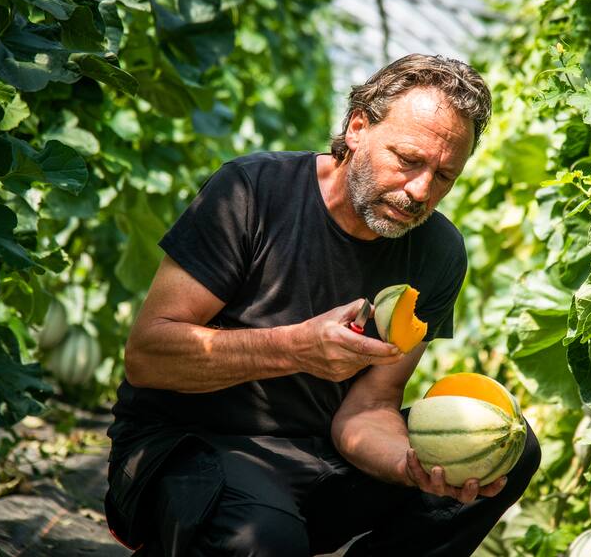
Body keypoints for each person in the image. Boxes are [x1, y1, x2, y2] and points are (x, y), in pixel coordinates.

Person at [104, 53, 541, 557]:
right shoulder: (251, 192)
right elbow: (147, 356)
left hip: (318, 457)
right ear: (358, 128)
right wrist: (295, 348)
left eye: (444, 176)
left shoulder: (438, 252)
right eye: (408, 160)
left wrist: (413, 467)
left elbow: (368, 408)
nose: (421, 191)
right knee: (265, 540)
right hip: (187, 448)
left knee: (509, 450)